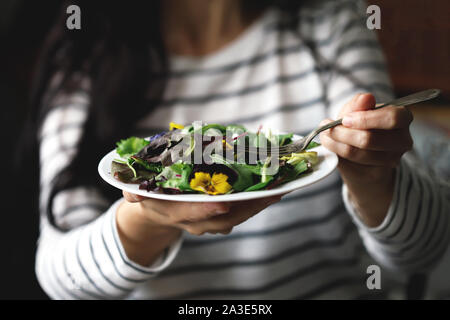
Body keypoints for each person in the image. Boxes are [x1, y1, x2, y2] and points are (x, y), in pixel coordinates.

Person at [30, 0, 449, 299]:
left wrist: (376, 176)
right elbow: (60, 278)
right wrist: (148, 219)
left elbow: (423, 251)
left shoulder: (332, 20)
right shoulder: (88, 51)